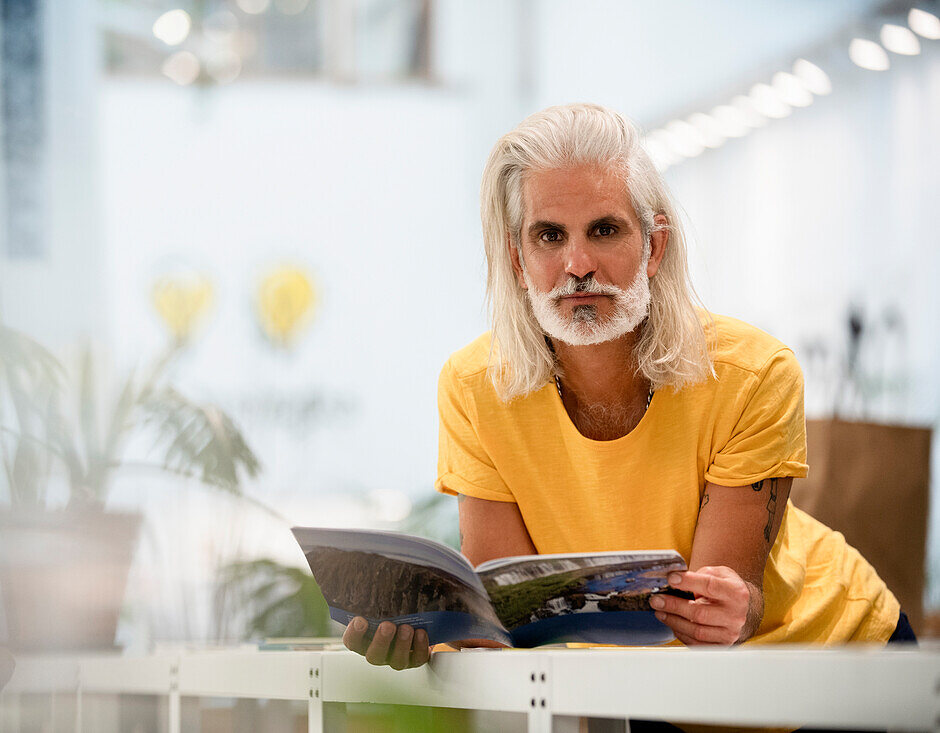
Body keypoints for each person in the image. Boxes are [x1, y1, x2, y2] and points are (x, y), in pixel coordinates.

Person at [343, 103, 913, 672]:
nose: (578, 264)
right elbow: (509, 624)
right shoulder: (476, 387)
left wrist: (732, 604)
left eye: (605, 230)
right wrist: (432, 634)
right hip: (634, 682)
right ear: (518, 260)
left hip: (832, 658)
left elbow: (724, 608)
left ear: (654, 247)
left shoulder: (752, 372)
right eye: (549, 235)